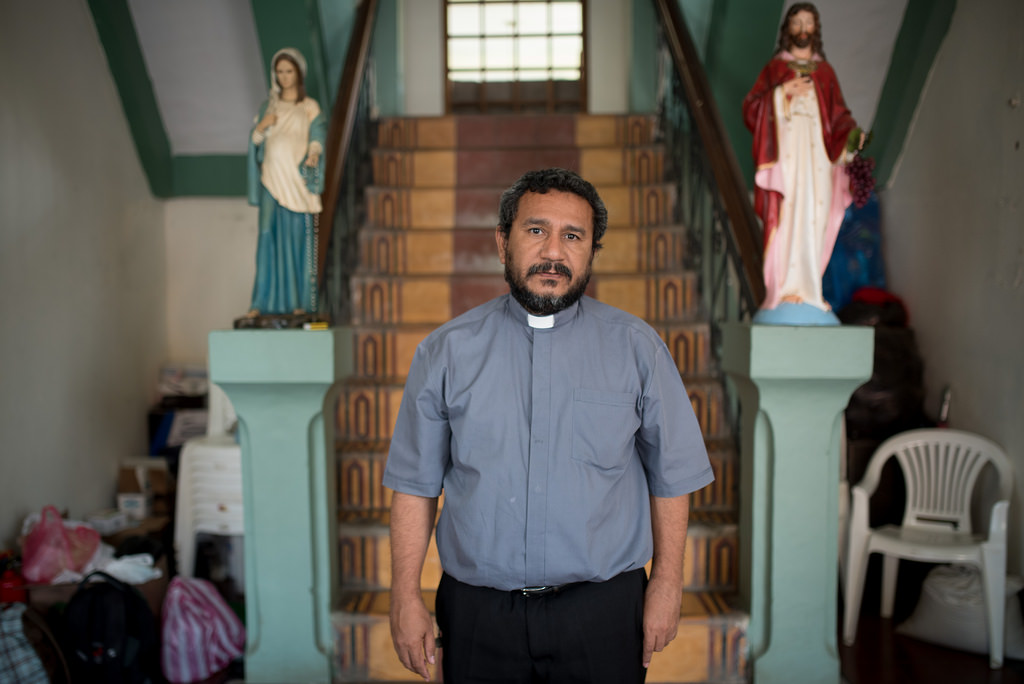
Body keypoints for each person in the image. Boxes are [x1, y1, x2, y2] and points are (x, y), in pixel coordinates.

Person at [383, 168, 715, 683]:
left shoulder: (637, 349)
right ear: (503, 242)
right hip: (477, 615)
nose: (554, 252)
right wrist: (404, 595)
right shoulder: (446, 352)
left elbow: (672, 477)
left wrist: (668, 584)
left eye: (573, 236)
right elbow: (413, 485)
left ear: (591, 252)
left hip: (603, 613)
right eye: (536, 230)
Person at [742, 3, 864, 321]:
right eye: (796, 22)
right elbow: (751, 108)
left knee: (815, 217)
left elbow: (839, 116)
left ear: (816, 29)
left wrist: (852, 136)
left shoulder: (825, 73)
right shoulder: (775, 70)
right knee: (788, 217)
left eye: (808, 22)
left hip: (819, 161)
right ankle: (783, 288)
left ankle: (811, 289)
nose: (802, 28)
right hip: (788, 163)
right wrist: (781, 94)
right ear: (788, 29)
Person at [246, 47, 326, 317]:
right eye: (279, 71)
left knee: (296, 240)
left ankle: (298, 302)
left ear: (298, 73)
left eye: (289, 71)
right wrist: (259, 128)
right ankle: (261, 303)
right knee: (267, 235)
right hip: (271, 179)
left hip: (296, 182)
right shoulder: (268, 107)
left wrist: (313, 154)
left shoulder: (309, 107)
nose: (284, 77)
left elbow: (318, 135)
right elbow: (256, 144)